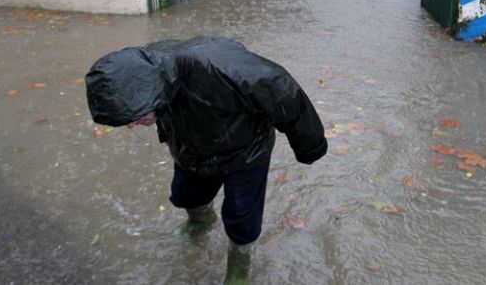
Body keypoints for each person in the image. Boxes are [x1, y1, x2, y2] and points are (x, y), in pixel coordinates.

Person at [84, 36, 327, 284]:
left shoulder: (220, 66)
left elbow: (284, 90)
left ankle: (238, 269)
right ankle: (202, 220)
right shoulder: (145, 68)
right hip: (191, 146)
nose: (132, 126)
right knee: (185, 195)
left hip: (246, 151)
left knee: (242, 217)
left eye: (133, 118)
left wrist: (310, 147)